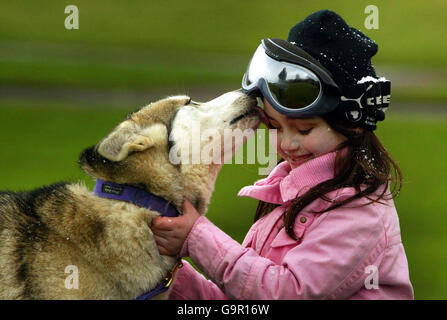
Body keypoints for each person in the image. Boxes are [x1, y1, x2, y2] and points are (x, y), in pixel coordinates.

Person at [150, 9, 414, 299]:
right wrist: (165, 275)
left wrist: (197, 238)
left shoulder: (360, 214)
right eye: (275, 127)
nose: (287, 144)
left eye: (304, 130)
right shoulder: (289, 194)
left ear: (351, 126)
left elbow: (285, 292)